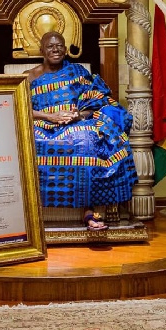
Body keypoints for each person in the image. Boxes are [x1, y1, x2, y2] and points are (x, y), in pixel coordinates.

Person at [25, 31, 137, 230]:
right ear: (41, 50)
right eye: (50, 46)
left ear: (66, 49)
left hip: (75, 123)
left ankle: (89, 211)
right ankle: (29, 213)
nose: (55, 49)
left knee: (87, 139)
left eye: (59, 45)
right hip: (42, 123)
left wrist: (78, 115)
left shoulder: (77, 72)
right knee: (30, 141)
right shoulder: (30, 76)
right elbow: (19, 105)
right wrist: (50, 117)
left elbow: (97, 101)